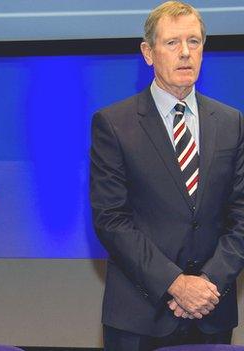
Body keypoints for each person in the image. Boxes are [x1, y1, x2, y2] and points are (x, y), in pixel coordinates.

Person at [90, 1, 244, 350]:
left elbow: (241, 215)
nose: (186, 53)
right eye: (173, 43)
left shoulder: (232, 122)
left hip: (211, 309)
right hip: (139, 314)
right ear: (148, 52)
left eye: (194, 41)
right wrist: (176, 284)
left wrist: (207, 283)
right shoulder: (114, 124)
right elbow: (111, 219)